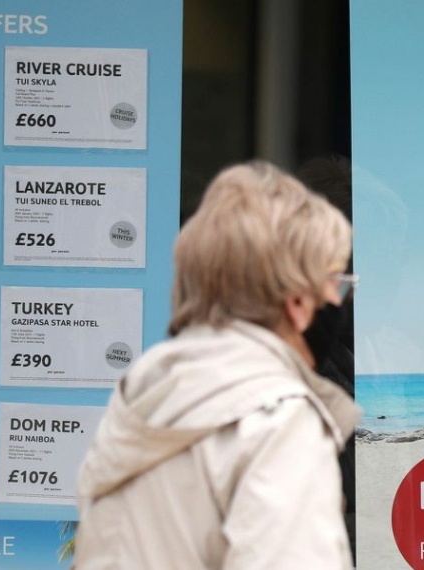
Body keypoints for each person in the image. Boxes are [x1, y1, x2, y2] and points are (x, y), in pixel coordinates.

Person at [74, 160, 361, 569]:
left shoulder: (147, 391)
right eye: (337, 284)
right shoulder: (278, 420)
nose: (340, 302)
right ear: (296, 299)